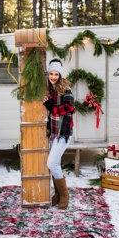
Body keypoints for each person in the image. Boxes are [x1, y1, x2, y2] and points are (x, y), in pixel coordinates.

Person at [43, 58, 75, 210]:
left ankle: (64, 195)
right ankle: (57, 194)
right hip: (53, 132)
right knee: (55, 164)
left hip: (63, 132)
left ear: (60, 75)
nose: (54, 77)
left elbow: (69, 108)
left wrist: (52, 108)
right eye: (51, 74)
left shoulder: (66, 89)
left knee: (51, 163)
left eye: (56, 74)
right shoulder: (49, 90)